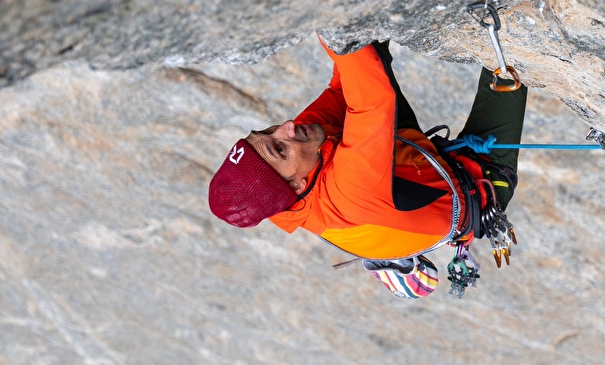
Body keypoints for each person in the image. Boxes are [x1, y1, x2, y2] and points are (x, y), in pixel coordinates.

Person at [206, 36, 526, 295]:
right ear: (297, 186)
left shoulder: (294, 158)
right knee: (508, 59)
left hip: (403, 157)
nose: (286, 127)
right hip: (478, 183)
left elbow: (343, 89)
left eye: (265, 132)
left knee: (366, 43)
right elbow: (372, 100)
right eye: (278, 146)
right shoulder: (347, 194)